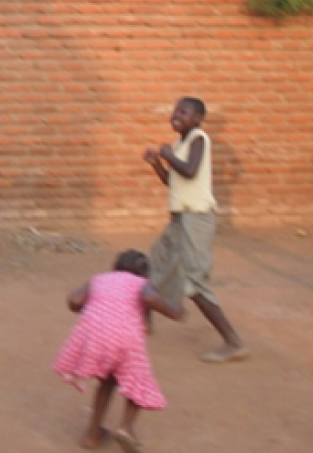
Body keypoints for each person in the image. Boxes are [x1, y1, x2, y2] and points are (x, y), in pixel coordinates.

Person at [143, 97, 248, 364]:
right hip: (180, 218)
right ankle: (145, 321)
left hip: (196, 219)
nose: (177, 114)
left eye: (184, 111)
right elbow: (174, 182)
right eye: (175, 110)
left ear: (198, 119)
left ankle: (233, 342)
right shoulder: (180, 144)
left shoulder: (199, 139)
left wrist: (167, 155)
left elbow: (189, 172)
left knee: (194, 282)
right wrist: (157, 164)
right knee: (157, 261)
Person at [53, 250, 186, 452]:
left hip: (93, 335)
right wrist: (175, 312)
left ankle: (92, 434)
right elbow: (150, 299)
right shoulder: (141, 284)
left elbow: (74, 300)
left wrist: (95, 310)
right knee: (137, 379)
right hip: (125, 337)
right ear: (144, 273)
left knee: (107, 381)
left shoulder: (99, 279)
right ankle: (126, 428)